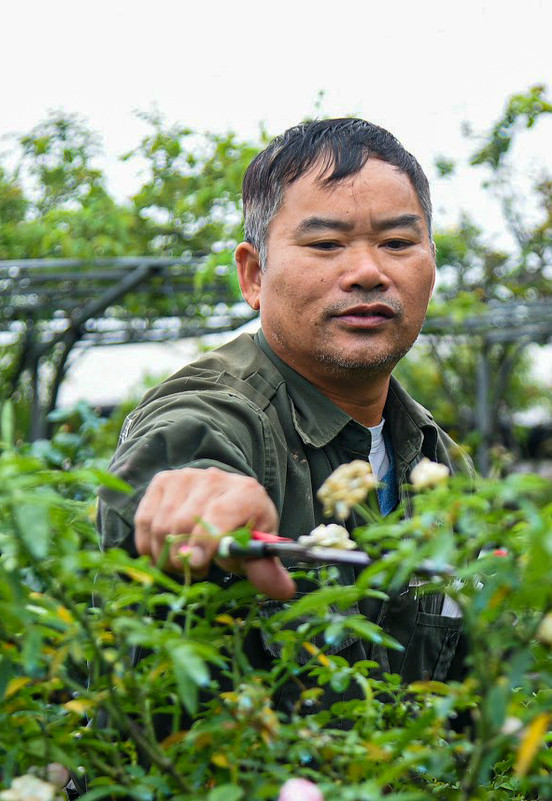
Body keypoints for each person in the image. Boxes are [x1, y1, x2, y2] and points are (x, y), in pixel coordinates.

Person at [96, 118, 471, 711]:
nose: (369, 271)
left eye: (398, 243)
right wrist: (195, 496)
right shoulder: (226, 407)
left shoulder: (435, 462)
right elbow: (170, 460)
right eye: (325, 244)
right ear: (254, 276)